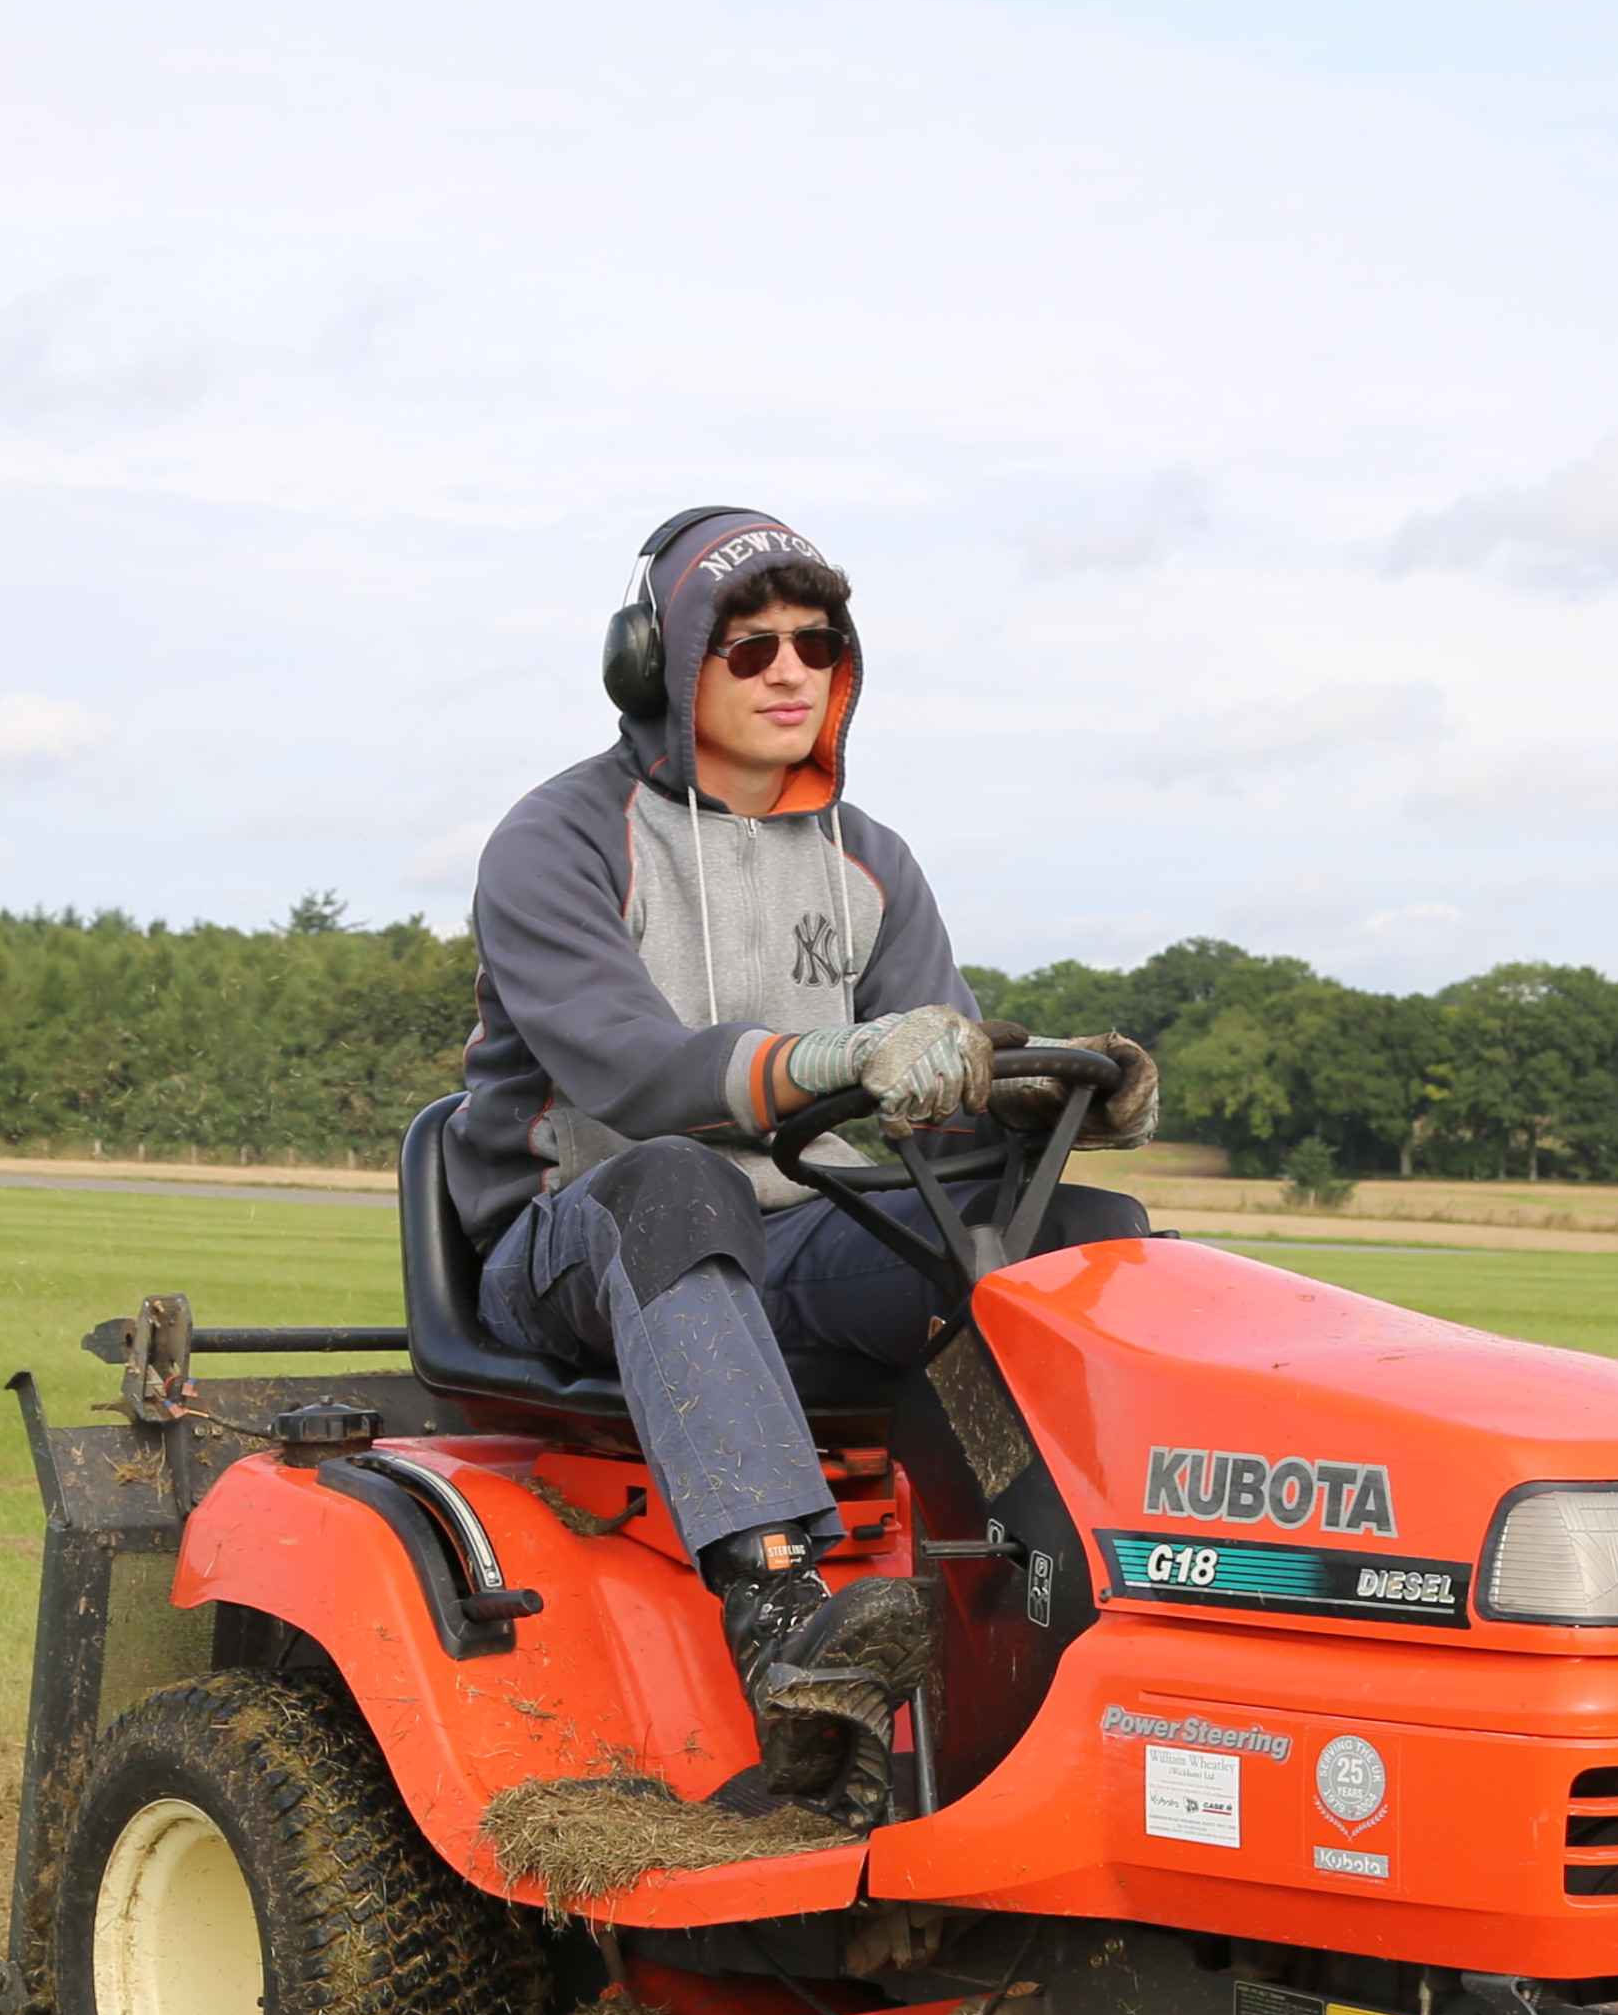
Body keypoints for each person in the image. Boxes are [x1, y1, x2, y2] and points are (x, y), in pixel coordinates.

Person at [452, 506, 1158, 1812]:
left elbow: (944, 1119)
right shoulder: (558, 841)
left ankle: (1100, 1589)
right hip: (578, 1237)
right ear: (659, 667)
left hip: (795, 1236)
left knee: (1077, 1228)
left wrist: (1049, 1106)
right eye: (751, 647)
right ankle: (781, 1617)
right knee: (681, 1180)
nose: (791, 672)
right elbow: (631, 1073)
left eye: (817, 644)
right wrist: (835, 1056)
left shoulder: (870, 863)